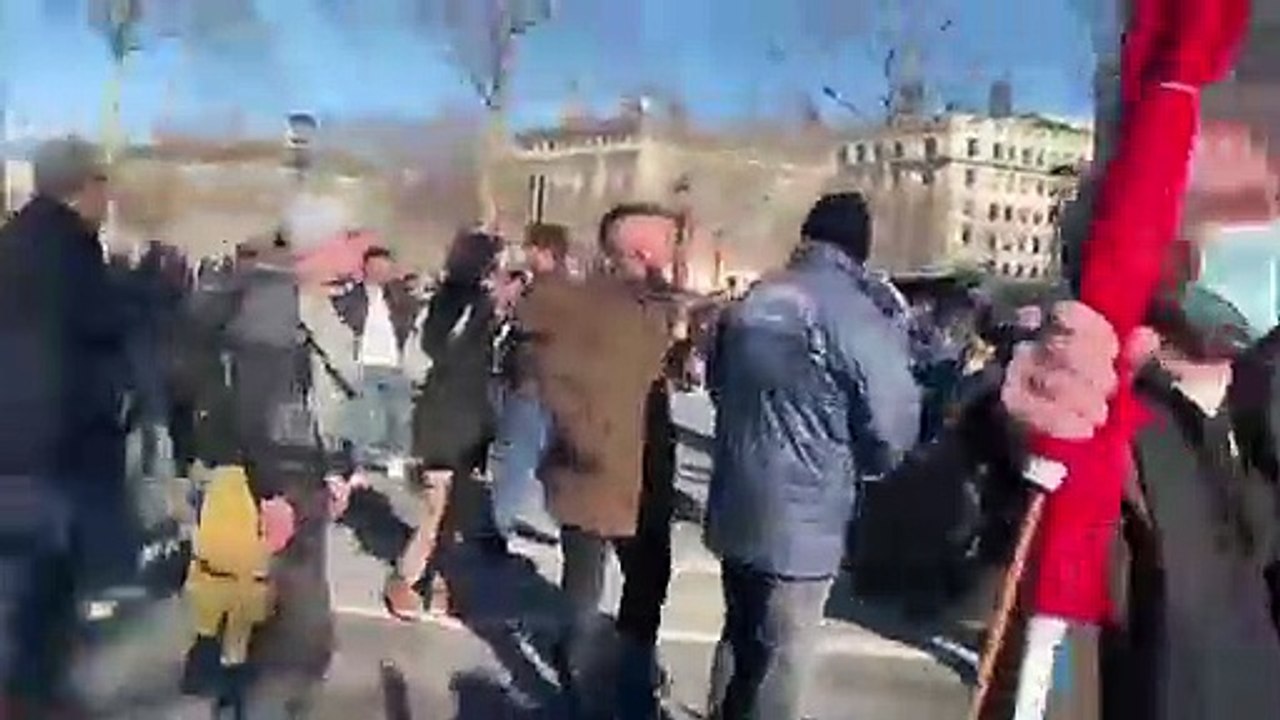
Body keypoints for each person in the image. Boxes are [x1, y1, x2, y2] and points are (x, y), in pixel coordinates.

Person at [703, 192, 923, 720]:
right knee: (786, 652)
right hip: (807, 513)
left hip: (736, 496)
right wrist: (873, 464)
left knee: (739, 632)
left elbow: (717, 382)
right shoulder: (854, 313)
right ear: (859, 246)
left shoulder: (756, 298)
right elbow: (895, 419)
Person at [516, 204, 684, 717]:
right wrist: (584, 433)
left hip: (624, 463)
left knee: (622, 580)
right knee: (603, 588)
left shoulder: (638, 302)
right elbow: (539, 368)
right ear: (644, 252)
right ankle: (596, 688)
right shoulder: (597, 302)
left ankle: (611, 680)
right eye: (669, 245)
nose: (674, 256)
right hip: (604, 463)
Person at [0, 136, 129, 715]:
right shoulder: (73, 254)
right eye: (103, 184)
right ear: (84, 188)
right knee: (36, 591)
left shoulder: (13, 242)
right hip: (54, 446)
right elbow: (96, 347)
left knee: (22, 587)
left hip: (20, 442)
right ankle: (30, 694)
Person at [383, 231, 504, 621]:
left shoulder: (464, 300)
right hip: (448, 413)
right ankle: (405, 578)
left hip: (466, 413)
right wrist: (487, 312)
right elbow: (444, 348)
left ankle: (440, 583)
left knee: (455, 511)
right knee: (438, 508)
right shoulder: (462, 301)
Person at [489, 224, 570, 544]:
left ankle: (498, 525)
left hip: (532, 386)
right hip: (548, 386)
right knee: (544, 461)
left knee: (516, 461)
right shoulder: (562, 288)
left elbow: (524, 324)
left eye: (530, 249)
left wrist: (509, 298)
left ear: (545, 251)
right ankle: (569, 524)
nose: (526, 255)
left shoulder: (548, 291)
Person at [331, 246, 423, 482]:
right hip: (365, 363)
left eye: (384, 267)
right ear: (365, 268)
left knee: (400, 416)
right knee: (365, 418)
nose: (379, 272)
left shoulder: (398, 296)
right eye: (374, 267)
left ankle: (396, 460)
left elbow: (415, 314)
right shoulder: (354, 297)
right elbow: (340, 314)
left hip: (394, 363)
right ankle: (359, 466)